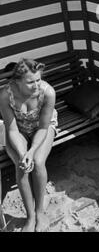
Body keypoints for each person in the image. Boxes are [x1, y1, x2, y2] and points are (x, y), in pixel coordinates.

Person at [0, 59, 58, 232]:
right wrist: (23, 153)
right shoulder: (5, 95)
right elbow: (11, 130)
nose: (36, 85)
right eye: (30, 82)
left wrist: (31, 152)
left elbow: (43, 127)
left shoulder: (48, 92)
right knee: (21, 164)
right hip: (18, 130)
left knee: (38, 163)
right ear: (16, 82)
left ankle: (40, 213)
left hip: (43, 127)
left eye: (38, 80)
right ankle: (30, 216)